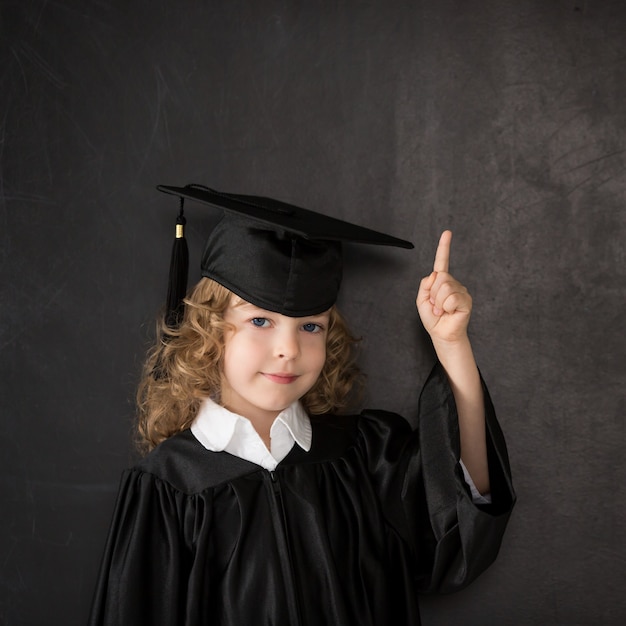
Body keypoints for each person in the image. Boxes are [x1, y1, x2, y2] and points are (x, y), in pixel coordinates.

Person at [88, 185, 515, 626]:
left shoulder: (364, 456)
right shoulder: (168, 487)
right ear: (210, 329)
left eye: (310, 325)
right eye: (259, 321)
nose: (288, 348)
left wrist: (452, 347)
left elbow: (455, 531)